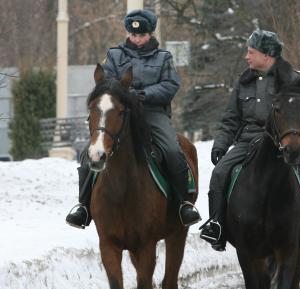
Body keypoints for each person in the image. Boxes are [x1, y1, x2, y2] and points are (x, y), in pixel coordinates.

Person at [65, 9, 201, 229]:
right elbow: (105, 83)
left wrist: (145, 94)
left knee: (172, 150)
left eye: (142, 34)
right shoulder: (114, 56)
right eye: (133, 34)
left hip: (152, 113)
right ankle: (83, 206)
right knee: (87, 154)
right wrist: (123, 95)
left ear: (150, 34)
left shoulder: (163, 57)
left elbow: (170, 85)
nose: (137, 38)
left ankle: (183, 203)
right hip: (120, 114)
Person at [199, 29, 300, 253]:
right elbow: (231, 118)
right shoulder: (244, 81)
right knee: (220, 173)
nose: (246, 56)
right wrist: (221, 144)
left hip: (286, 143)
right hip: (248, 141)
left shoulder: (294, 79)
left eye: (251, 52)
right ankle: (217, 224)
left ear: (267, 55)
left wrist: (296, 142)